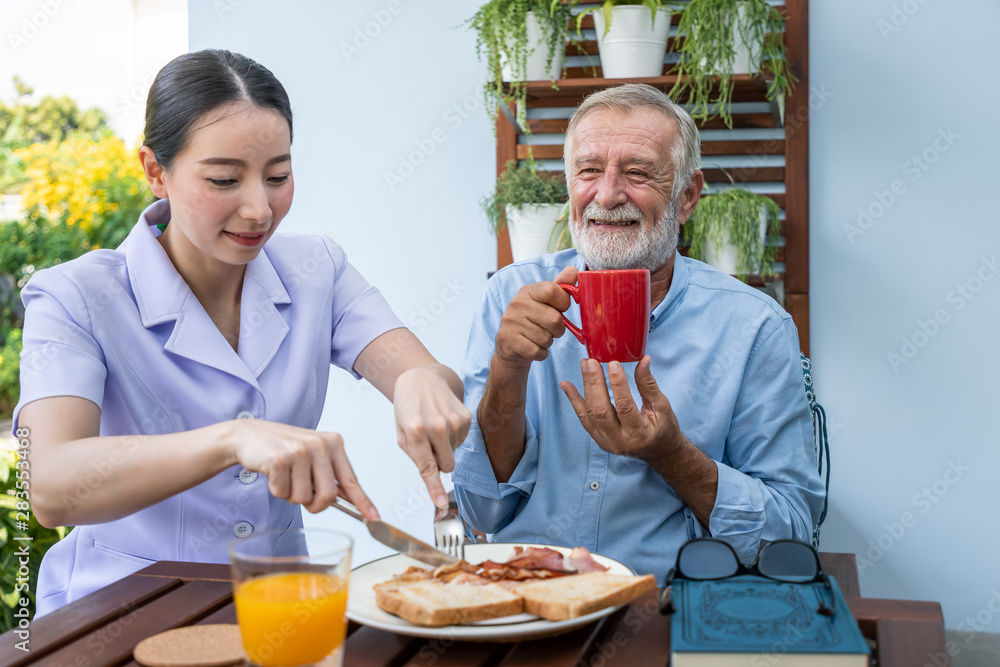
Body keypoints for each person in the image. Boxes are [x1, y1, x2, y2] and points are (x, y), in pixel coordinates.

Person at [14, 49, 471, 615]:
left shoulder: (315, 270)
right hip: (118, 615)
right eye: (225, 179)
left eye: (278, 176)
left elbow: (424, 374)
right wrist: (233, 439)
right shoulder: (75, 295)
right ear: (155, 171)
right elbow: (51, 486)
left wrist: (422, 380)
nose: (259, 208)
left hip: (280, 611)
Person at [453, 83, 824, 581]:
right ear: (569, 187)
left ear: (687, 195)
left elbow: (789, 534)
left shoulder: (755, 326)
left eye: (637, 172)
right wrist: (508, 369)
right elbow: (481, 513)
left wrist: (670, 454)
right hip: (531, 592)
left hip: (667, 602)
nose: (607, 194)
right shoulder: (509, 296)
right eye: (588, 171)